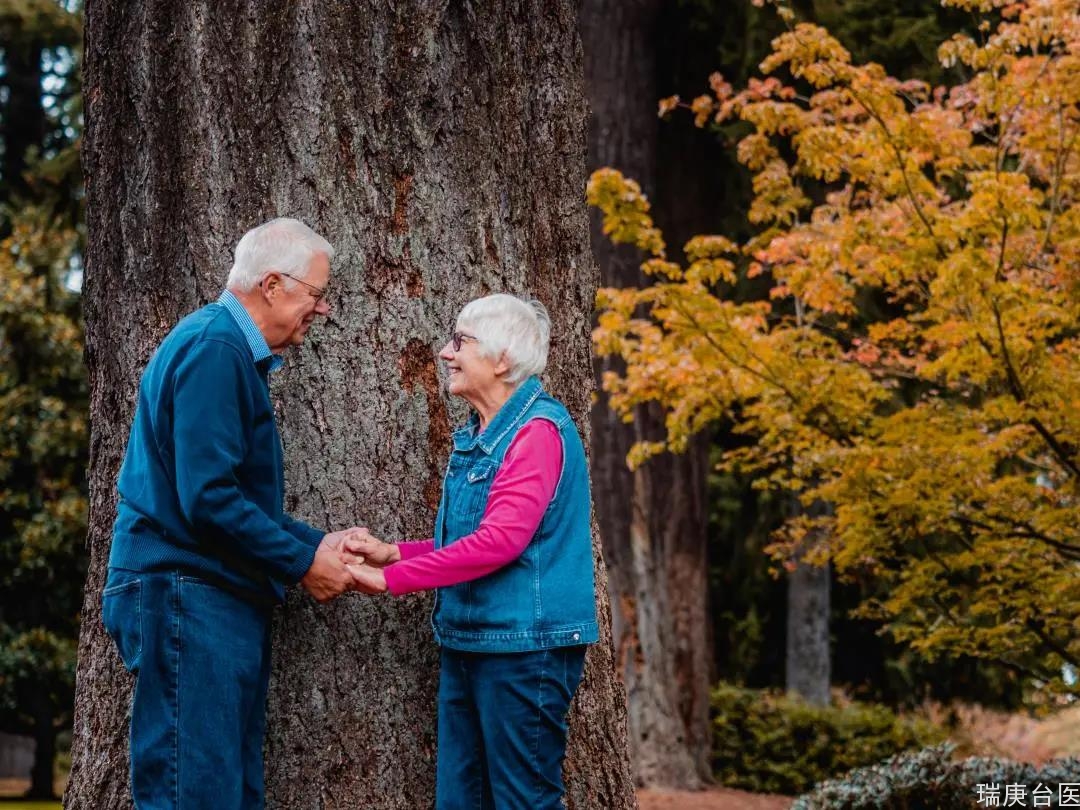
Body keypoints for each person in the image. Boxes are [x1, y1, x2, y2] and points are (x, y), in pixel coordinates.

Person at [101, 217, 361, 809]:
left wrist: (321, 546)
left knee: (229, 792)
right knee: (197, 794)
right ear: (273, 285)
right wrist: (302, 562)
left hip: (208, 596)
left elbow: (226, 497)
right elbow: (209, 501)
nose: (320, 312)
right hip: (187, 596)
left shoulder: (225, 350)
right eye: (316, 295)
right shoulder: (215, 348)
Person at [346, 293, 598, 810]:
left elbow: (500, 543)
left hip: (524, 652)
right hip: (473, 643)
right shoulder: (483, 434)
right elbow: (473, 541)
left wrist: (392, 581)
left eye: (461, 341)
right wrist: (396, 554)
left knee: (523, 802)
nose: (446, 352)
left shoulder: (536, 433)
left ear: (502, 360)